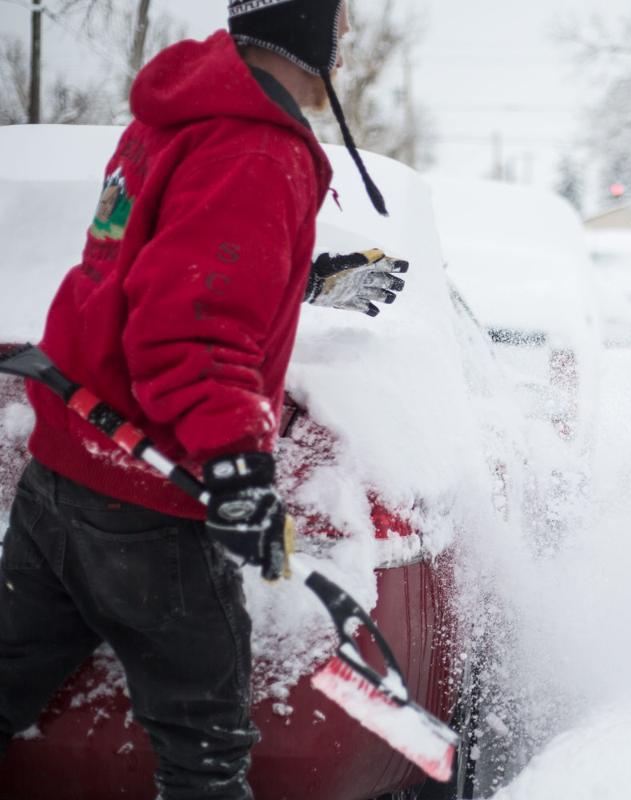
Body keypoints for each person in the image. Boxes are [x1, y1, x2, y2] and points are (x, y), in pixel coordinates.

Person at [0, 1, 403, 796]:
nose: (349, 41)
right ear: (303, 27)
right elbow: (192, 330)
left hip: (63, 469)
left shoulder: (185, 112)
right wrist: (239, 471)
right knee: (205, 754)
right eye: (341, 22)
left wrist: (294, 272)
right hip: (145, 512)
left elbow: (155, 259)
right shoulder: (258, 149)